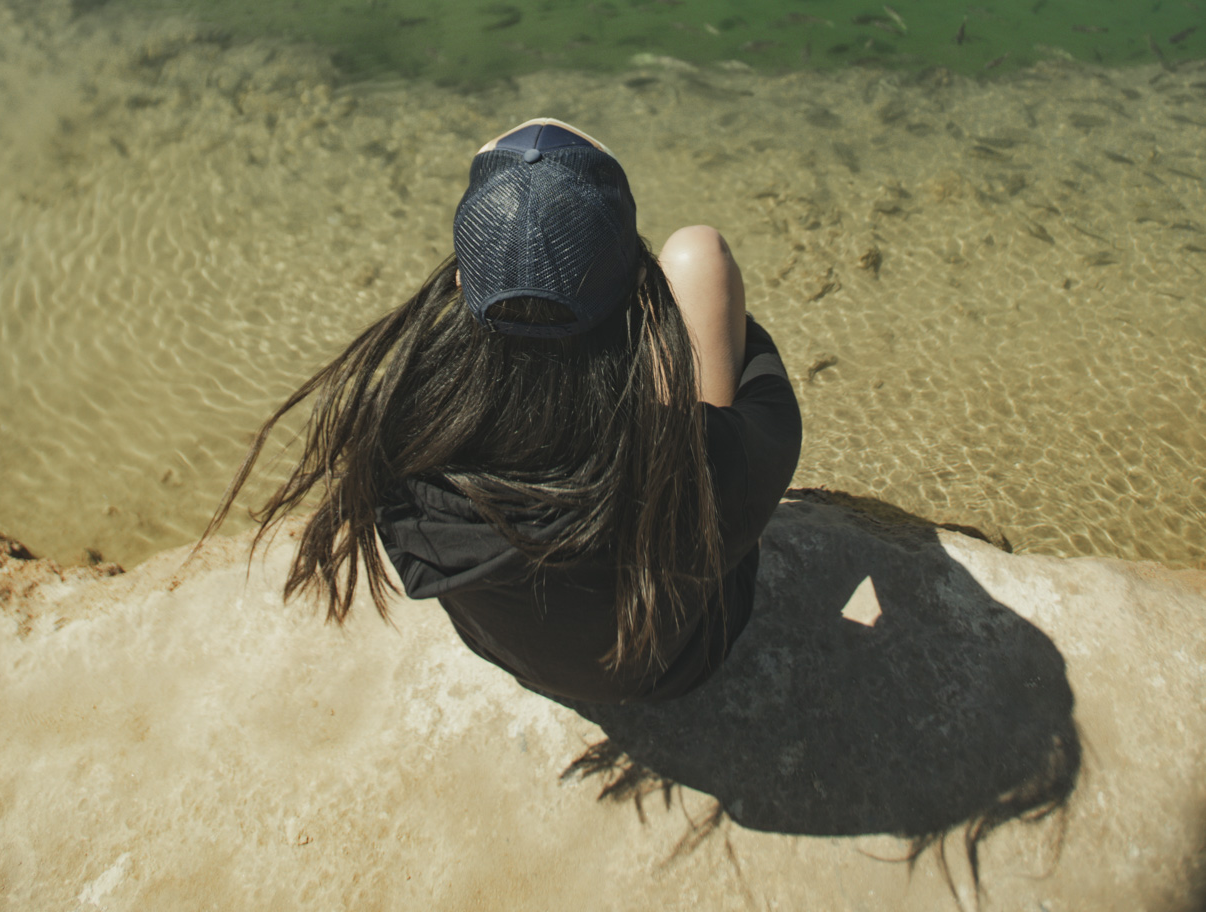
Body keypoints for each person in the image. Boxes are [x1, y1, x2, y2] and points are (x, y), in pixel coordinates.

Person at [206, 117, 801, 704]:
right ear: (637, 290)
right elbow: (762, 391)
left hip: (507, 650)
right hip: (671, 662)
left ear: (464, 281)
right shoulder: (707, 466)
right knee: (700, 254)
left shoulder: (403, 436)